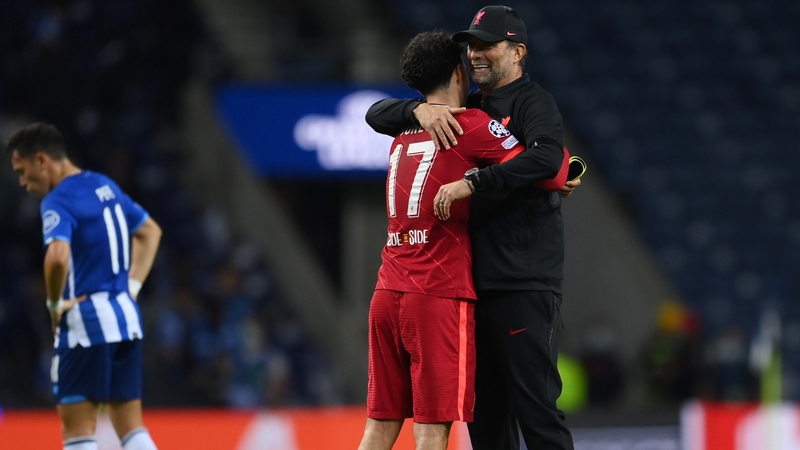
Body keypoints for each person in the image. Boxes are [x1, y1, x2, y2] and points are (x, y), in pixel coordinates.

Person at [365, 5, 577, 450]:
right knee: (486, 423)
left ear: (518, 52)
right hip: (467, 288)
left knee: (536, 412)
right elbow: (376, 113)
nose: (476, 54)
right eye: (472, 46)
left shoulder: (532, 101)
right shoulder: (471, 110)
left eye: (487, 45)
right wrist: (417, 111)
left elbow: (548, 160)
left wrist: (474, 181)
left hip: (522, 283)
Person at [7, 122, 162, 450]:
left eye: (22, 171)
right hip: (126, 317)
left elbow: (58, 257)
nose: (22, 182)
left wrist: (52, 305)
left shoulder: (57, 200)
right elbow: (150, 231)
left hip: (86, 320)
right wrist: (131, 286)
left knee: (78, 432)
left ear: (42, 161)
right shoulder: (104, 184)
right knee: (132, 429)